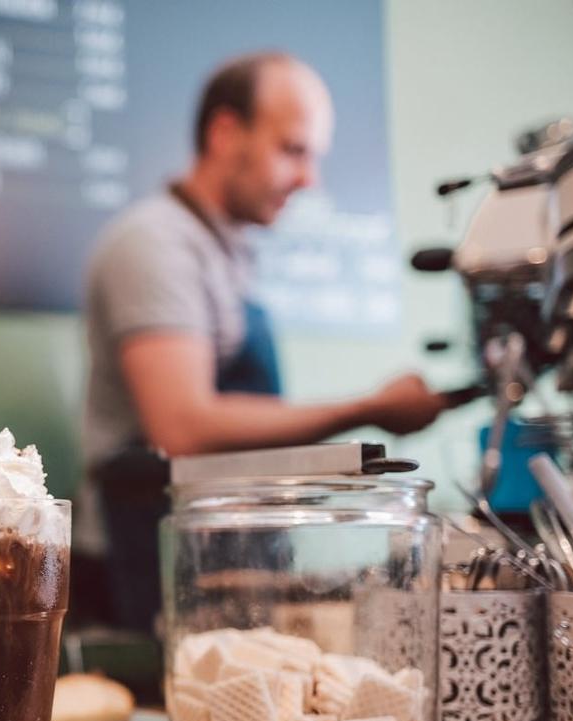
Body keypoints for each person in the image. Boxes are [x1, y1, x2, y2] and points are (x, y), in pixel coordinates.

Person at [80, 51, 447, 636]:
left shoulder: (229, 251)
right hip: (147, 571)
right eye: (293, 150)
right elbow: (182, 427)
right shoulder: (155, 243)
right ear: (226, 133)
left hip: (224, 565)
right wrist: (369, 408)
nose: (309, 179)